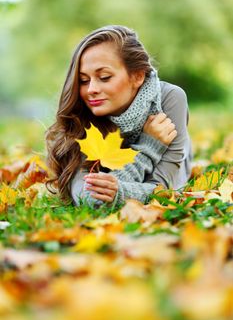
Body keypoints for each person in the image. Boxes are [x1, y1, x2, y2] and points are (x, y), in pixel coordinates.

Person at [45, 25, 192, 207]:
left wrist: (116, 192)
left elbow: (165, 192)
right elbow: (89, 198)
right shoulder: (82, 116)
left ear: (137, 76)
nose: (91, 90)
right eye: (83, 80)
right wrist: (148, 148)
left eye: (105, 77)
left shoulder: (170, 99)